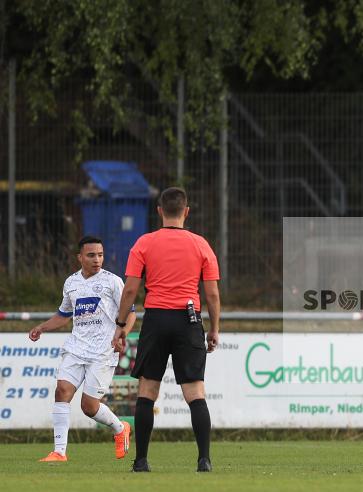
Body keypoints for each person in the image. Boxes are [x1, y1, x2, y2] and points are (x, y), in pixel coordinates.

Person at [112, 187, 221, 473]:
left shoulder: (145, 243)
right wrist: (214, 329)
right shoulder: (201, 245)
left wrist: (121, 325)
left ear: (159, 211)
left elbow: (131, 290)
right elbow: (212, 295)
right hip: (190, 320)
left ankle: (141, 460)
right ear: (186, 211)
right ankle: (204, 460)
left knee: (147, 391)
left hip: (157, 319)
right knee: (195, 392)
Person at [29, 236, 136, 462]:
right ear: (80, 257)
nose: (97, 260)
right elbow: (64, 315)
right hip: (76, 347)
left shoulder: (112, 282)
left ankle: (120, 428)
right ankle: (59, 452)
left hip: (103, 350)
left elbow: (131, 312)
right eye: (91, 255)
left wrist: (122, 332)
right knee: (62, 391)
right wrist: (42, 327)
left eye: (100, 255)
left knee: (89, 407)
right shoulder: (71, 283)